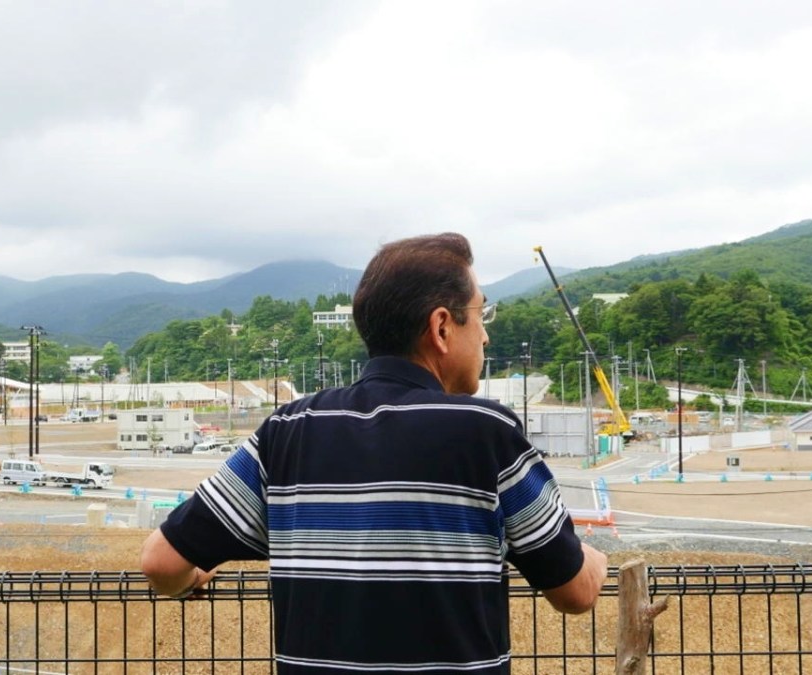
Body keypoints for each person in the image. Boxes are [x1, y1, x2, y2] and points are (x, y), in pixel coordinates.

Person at [142, 232, 608, 674]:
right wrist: (595, 560)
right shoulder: (486, 431)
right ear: (441, 327)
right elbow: (575, 592)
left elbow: (161, 562)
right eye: (481, 314)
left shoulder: (287, 429)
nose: (486, 336)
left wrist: (189, 581)